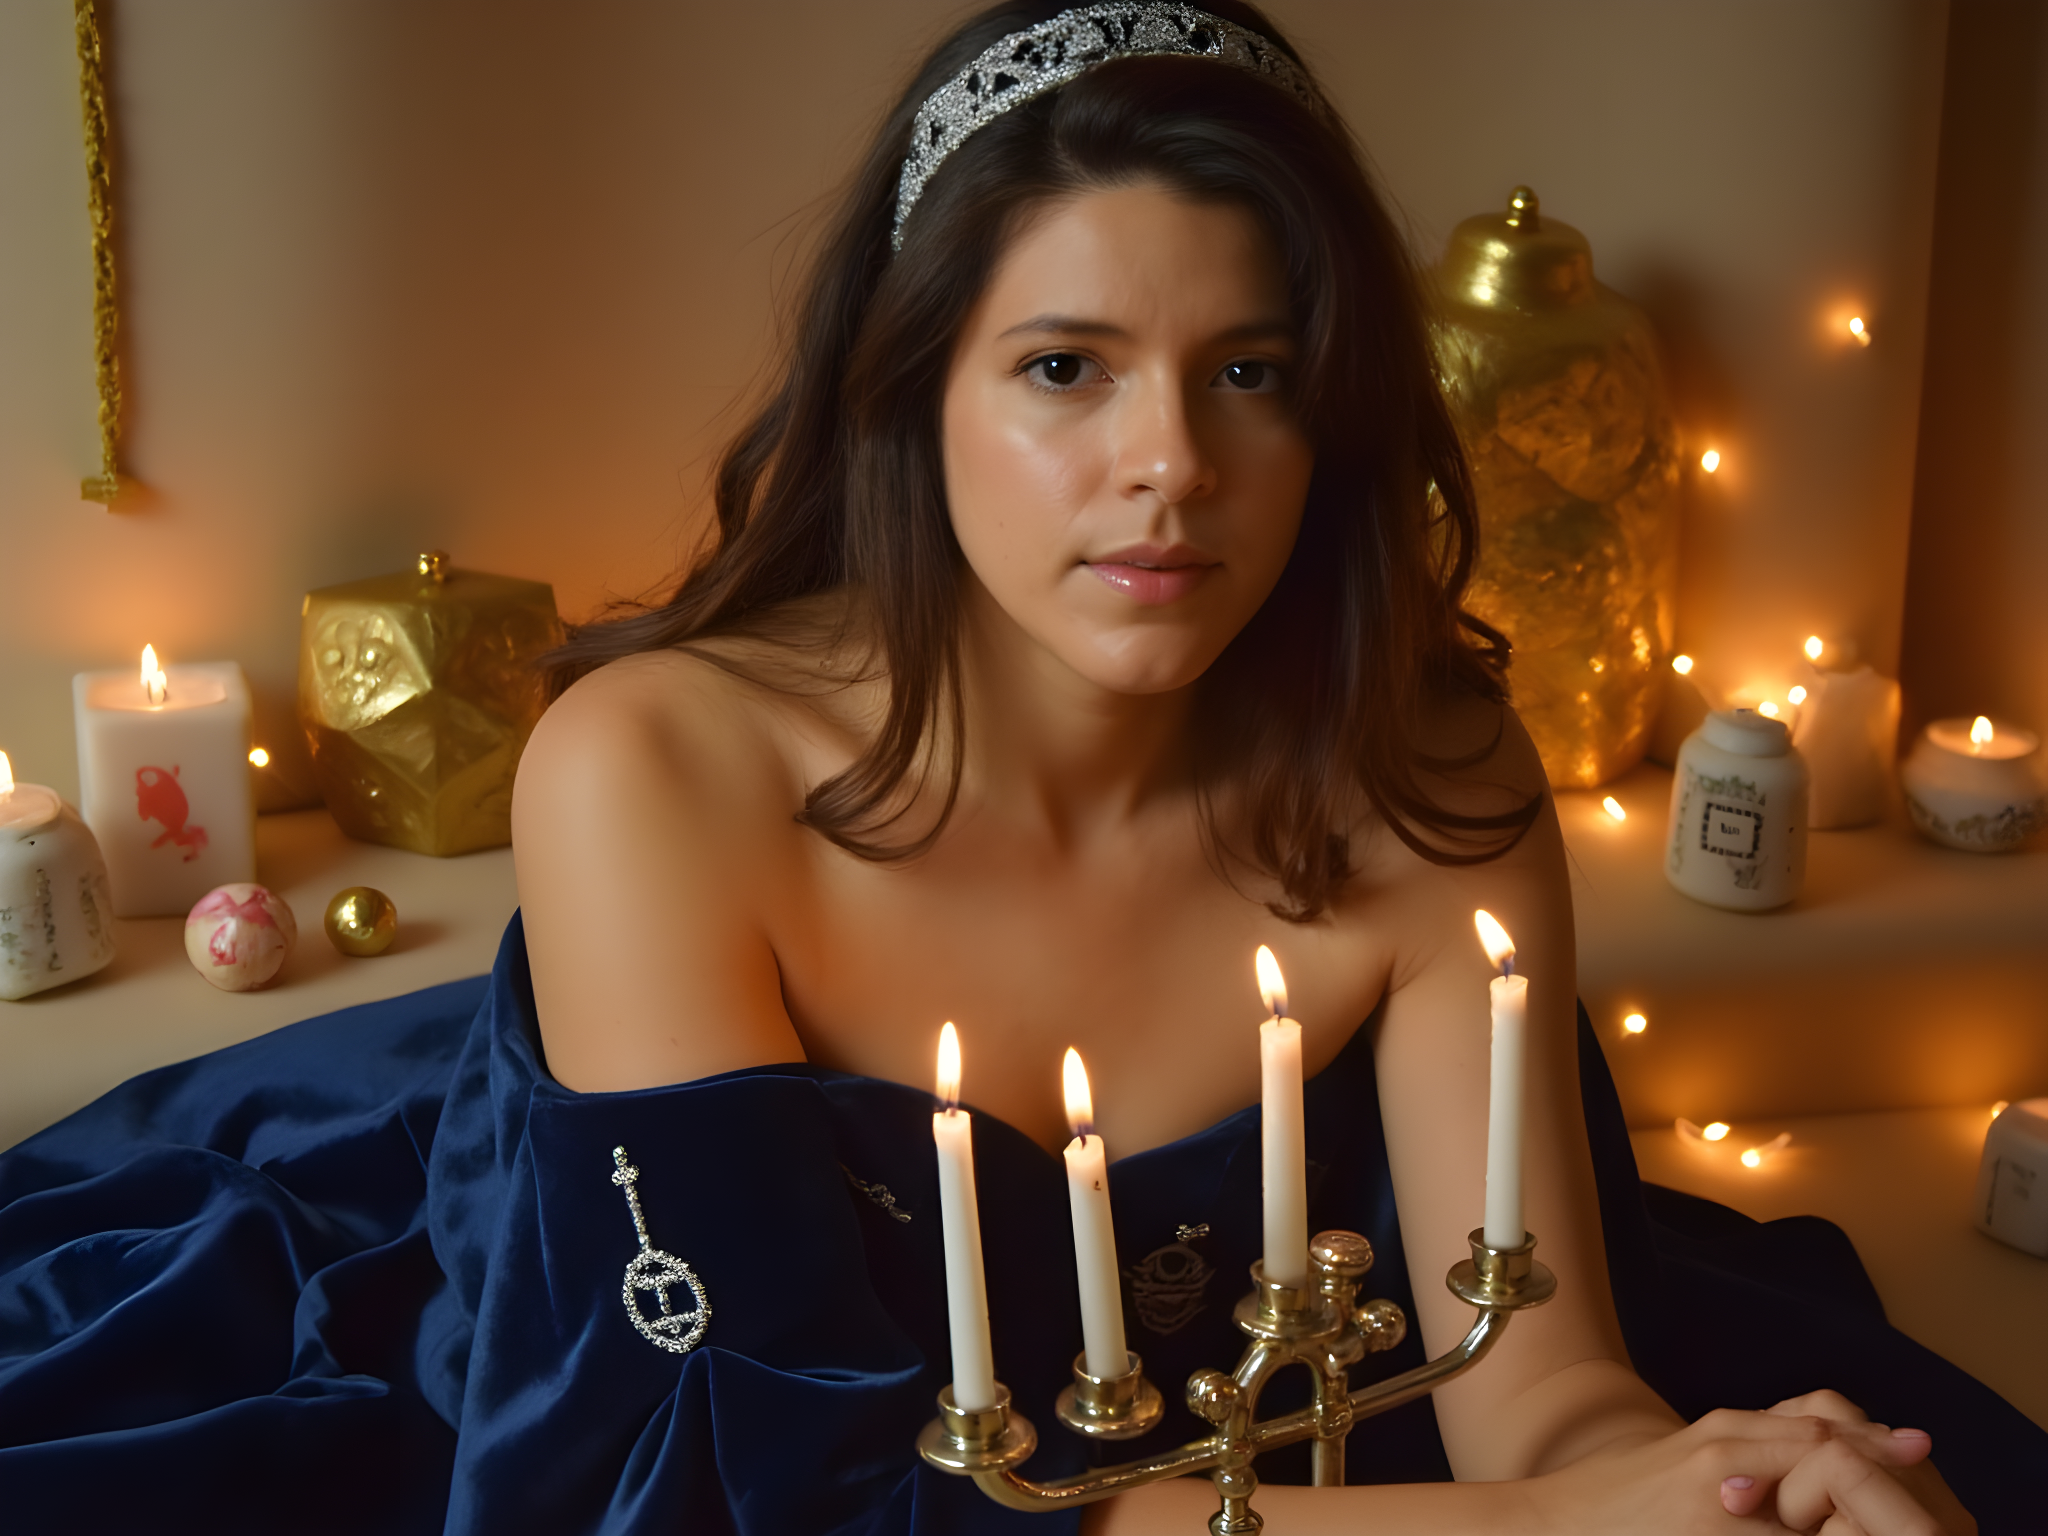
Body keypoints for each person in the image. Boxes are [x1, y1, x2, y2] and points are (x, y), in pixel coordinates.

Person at [0, 6, 2037, 1533]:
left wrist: (1676, 1491)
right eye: (1064, 369)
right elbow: (797, 1482)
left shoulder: (1430, 776)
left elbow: (1535, 1390)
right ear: (914, 398)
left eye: (1249, 373)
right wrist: (1520, 1530)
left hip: (1287, 1439)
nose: (1170, 463)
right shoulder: (655, 775)